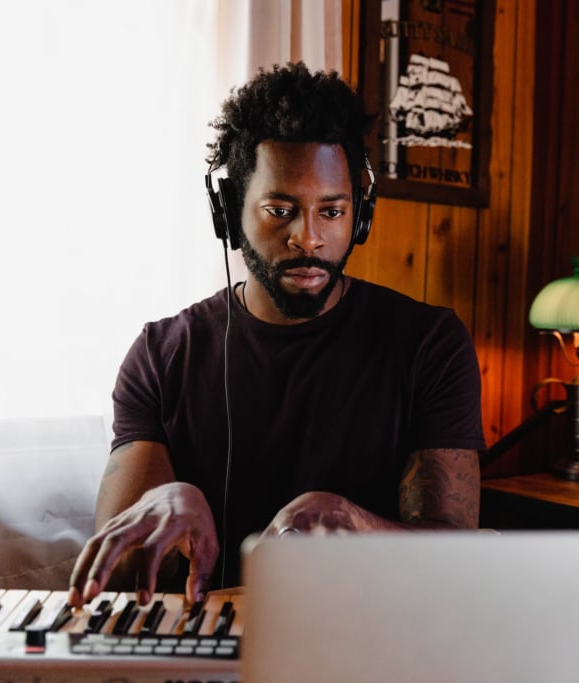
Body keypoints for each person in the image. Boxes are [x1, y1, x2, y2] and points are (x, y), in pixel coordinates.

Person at [67, 63, 485, 608]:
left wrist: (354, 522)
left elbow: (456, 561)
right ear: (229, 213)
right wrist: (167, 501)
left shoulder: (430, 345)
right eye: (280, 210)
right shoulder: (161, 354)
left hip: (370, 633)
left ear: (359, 217)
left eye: (331, 211)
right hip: (210, 640)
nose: (308, 238)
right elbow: (116, 581)